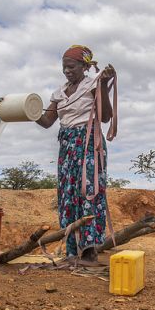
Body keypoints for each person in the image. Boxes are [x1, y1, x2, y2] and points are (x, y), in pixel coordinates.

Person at [36, 45, 117, 258]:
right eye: (64, 67)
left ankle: (90, 249)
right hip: (67, 145)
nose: (67, 71)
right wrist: (29, 109)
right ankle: (71, 248)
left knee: (88, 190)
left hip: (89, 141)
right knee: (68, 194)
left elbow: (106, 117)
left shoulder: (93, 84)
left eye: (71, 66)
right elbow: (46, 122)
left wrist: (103, 85)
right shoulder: (59, 93)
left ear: (84, 66)